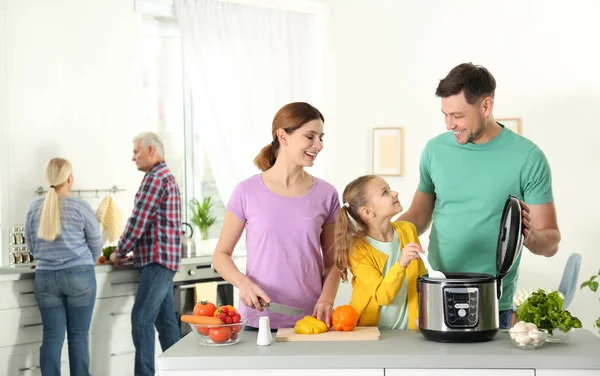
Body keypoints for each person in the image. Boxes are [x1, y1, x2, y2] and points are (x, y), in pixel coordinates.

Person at [399, 62, 560, 329]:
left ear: (486, 106)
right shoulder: (434, 150)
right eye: (445, 114)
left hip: (494, 301)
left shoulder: (528, 157)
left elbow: (551, 242)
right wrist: (375, 233)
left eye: (458, 115)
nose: (449, 124)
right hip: (437, 291)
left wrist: (528, 236)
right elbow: (418, 216)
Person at [212, 102, 341, 330]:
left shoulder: (326, 194)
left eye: (321, 137)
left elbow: (334, 264)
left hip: (311, 323)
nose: (318, 145)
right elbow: (221, 256)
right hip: (258, 321)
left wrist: (326, 300)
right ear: (283, 136)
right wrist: (244, 284)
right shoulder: (246, 192)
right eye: (310, 136)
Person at [110, 132, 182, 376]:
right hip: (164, 260)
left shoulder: (155, 178)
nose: (133, 158)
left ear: (151, 150)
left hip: (157, 261)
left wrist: (119, 251)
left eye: (135, 152)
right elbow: (153, 223)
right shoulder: (166, 176)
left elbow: (139, 220)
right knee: (165, 322)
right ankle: (178, 371)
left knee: (141, 319)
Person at [24, 158, 102, 376]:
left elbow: (31, 245)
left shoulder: (33, 207)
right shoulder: (80, 206)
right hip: (80, 277)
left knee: (51, 336)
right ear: (70, 178)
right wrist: (84, 260)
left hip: (45, 278)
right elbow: (96, 244)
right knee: (78, 337)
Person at [334, 175, 425, 330]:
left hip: (410, 330)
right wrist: (402, 263)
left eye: (389, 189)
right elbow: (382, 296)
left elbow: (421, 279)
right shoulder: (358, 248)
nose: (395, 193)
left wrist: (426, 314)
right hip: (371, 332)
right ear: (368, 212)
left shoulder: (408, 230)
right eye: (385, 192)